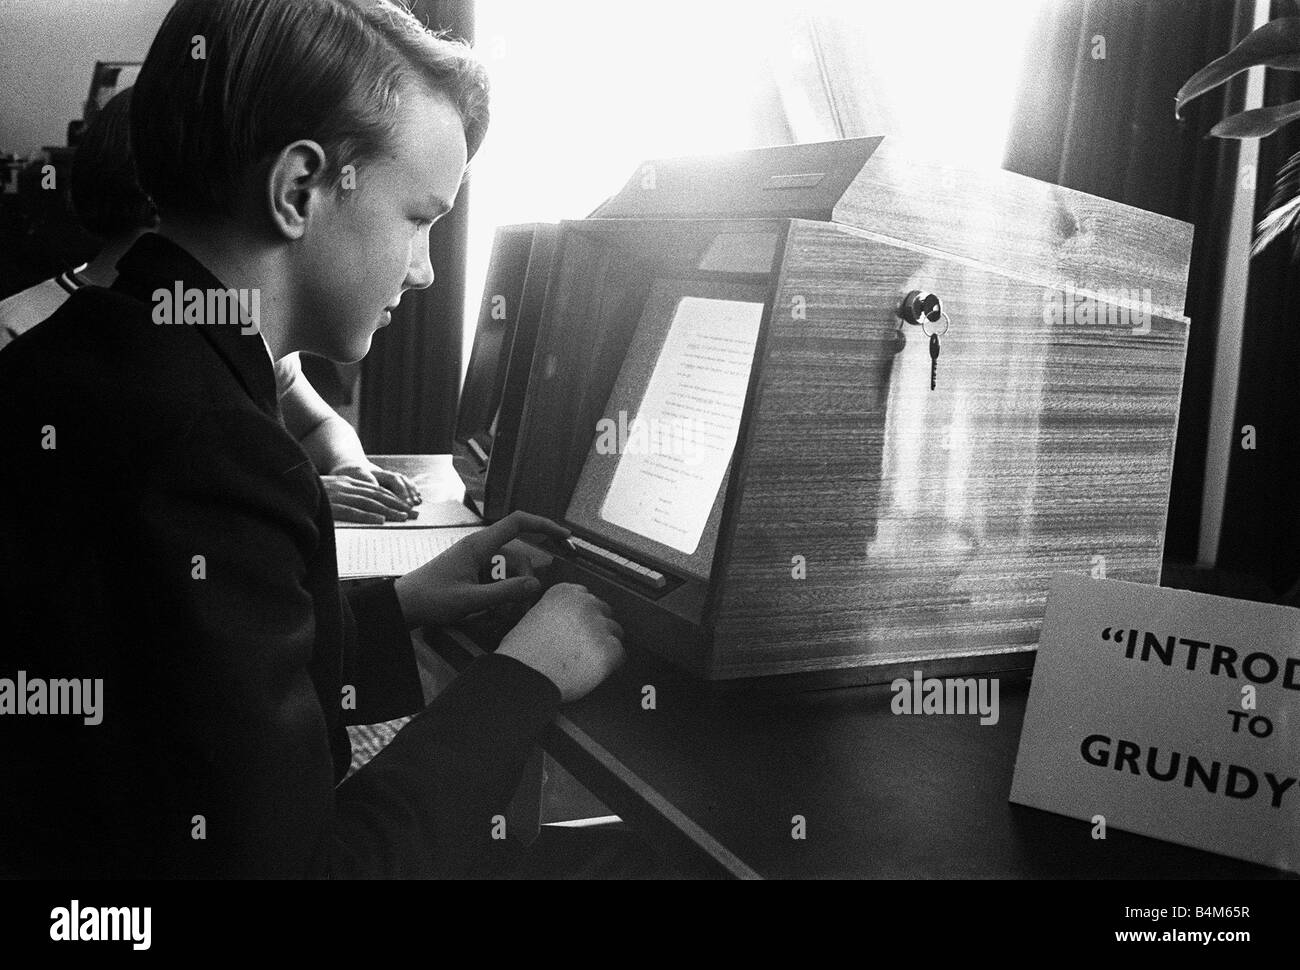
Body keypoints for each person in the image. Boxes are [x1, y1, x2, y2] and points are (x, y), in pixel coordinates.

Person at [0, 0, 624, 878]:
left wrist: (393, 610)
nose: (426, 269)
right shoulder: (218, 453)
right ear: (299, 191)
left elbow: (170, 690)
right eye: (419, 217)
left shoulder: (85, 357)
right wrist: (524, 677)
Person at [0, 87, 422, 524]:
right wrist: (290, 495)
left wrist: (346, 468)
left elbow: (319, 425)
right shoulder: (21, 331)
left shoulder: (220, 318)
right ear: (163, 203)